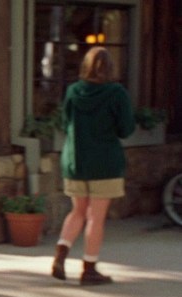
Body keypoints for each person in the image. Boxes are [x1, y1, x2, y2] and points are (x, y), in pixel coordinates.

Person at [52, 47, 135, 285]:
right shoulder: (117, 93)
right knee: (95, 218)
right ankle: (89, 269)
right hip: (104, 162)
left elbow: (64, 122)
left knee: (77, 211)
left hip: (75, 160)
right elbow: (126, 129)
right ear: (110, 68)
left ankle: (60, 255)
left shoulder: (73, 91)